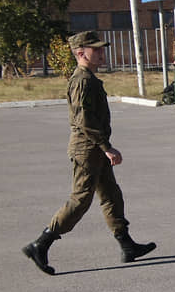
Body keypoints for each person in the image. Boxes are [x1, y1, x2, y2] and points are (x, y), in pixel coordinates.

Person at [22, 31, 156, 275]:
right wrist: (107, 147)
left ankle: (127, 245)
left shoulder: (89, 78)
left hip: (94, 147)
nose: (102, 53)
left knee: (111, 196)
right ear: (81, 53)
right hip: (87, 148)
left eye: (102, 48)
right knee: (80, 200)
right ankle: (40, 244)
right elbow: (84, 119)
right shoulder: (82, 80)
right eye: (97, 49)